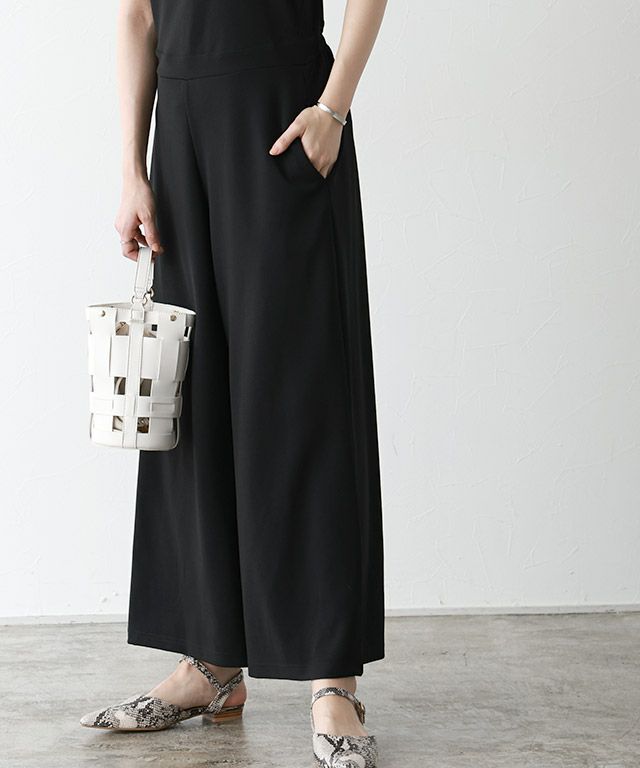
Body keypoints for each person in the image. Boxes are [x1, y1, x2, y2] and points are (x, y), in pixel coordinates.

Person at [80, 0, 388, 765]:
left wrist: (333, 109)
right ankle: (211, 664)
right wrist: (132, 167)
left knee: (306, 396)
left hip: (285, 116)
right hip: (180, 128)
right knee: (190, 399)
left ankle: (333, 680)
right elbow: (138, 15)